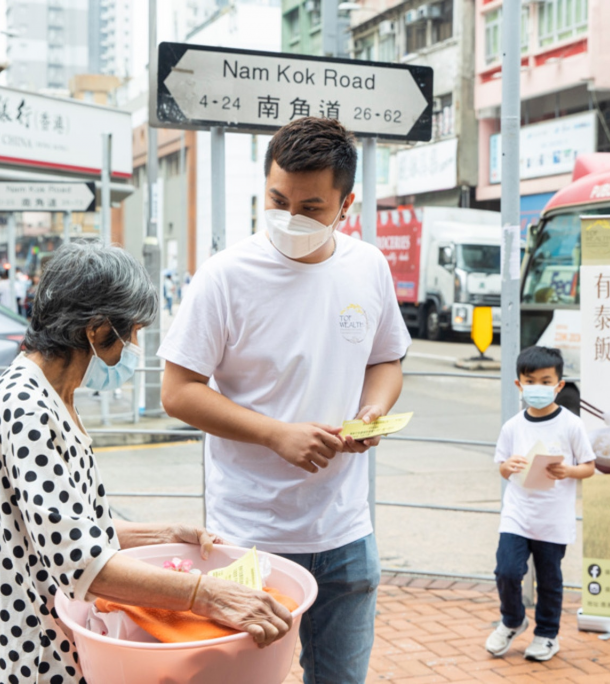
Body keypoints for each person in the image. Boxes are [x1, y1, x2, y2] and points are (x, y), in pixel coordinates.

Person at [0, 242, 292, 684]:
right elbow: (79, 563)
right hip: (28, 652)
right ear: (96, 329)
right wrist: (206, 595)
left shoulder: (49, 397)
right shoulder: (27, 409)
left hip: (41, 638)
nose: (134, 346)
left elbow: (65, 527)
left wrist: (160, 534)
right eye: (132, 332)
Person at [159, 117, 411, 683]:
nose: (289, 218)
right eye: (277, 199)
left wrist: (372, 410)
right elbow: (177, 393)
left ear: (347, 205)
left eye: (311, 208)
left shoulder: (368, 267)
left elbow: (385, 360)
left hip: (347, 532)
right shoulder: (224, 277)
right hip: (250, 537)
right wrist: (277, 433)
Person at [486, 346, 596, 662]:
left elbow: (588, 466)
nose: (538, 388)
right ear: (519, 385)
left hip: (553, 517)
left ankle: (547, 635)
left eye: (546, 381)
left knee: (550, 580)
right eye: (530, 381)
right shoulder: (513, 426)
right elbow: (501, 466)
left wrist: (568, 471)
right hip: (517, 515)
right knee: (506, 570)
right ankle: (512, 620)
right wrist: (510, 466)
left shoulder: (571, 425)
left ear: (559, 385)